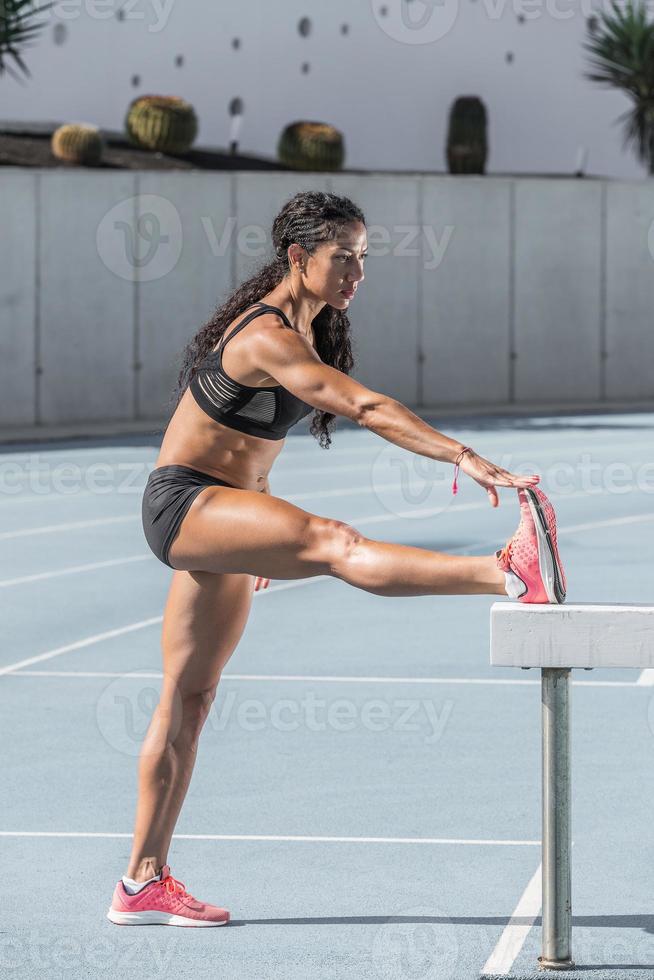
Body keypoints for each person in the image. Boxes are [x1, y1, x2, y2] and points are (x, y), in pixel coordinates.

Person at [107, 190, 566, 927]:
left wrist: (251, 530)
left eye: (364, 258)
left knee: (189, 697)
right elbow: (366, 407)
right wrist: (464, 456)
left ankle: (140, 882)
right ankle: (506, 570)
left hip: (221, 512)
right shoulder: (266, 335)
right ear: (298, 256)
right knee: (334, 543)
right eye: (343, 256)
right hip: (185, 505)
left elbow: (245, 445)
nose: (357, 272)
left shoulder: (307, 325)